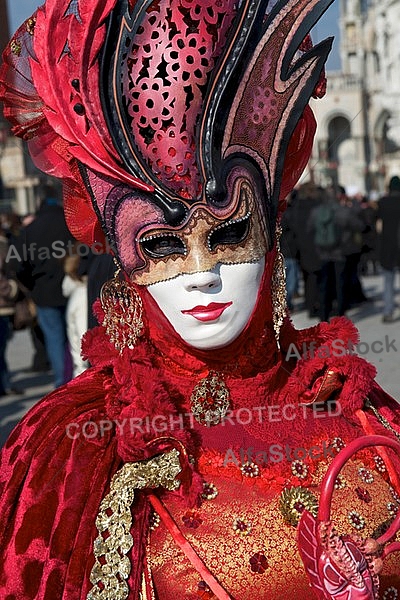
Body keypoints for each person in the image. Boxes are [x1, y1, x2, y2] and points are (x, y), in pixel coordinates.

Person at [0, 1, 400, 599]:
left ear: (270, 235)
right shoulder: (68, 453)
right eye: (160, 245)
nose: (201, 274)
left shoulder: (359, 412)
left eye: (229, 233)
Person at [7, 186, 75, 387]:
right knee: (77, 334)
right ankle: (81, 378)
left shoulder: (30, 231)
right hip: (72, 287)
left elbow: (16, 264)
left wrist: (31, 285)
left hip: (43, 292)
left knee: (55, 339)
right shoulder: (69, 225)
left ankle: (62, 384)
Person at [377, 175, 400, 322]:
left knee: (388, 281)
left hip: (387, 245)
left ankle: (388, 311)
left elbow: (378, 225)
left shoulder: (383, 202)